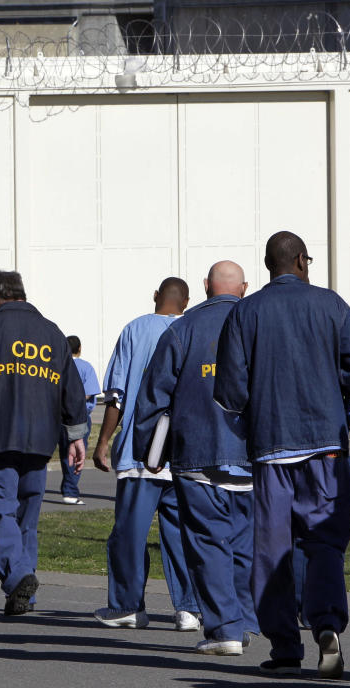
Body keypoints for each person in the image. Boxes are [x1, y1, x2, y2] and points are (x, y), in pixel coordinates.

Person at [214, 231, 350, 678]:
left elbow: (229, 393)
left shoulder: (245, 311)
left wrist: (252, 421)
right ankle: (325, 624)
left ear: (267, 265)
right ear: (303, 262)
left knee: (271, 546)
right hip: (325, 446)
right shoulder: (331, 305)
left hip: (271, 450)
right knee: (323, 539)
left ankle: (285, 646)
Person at [133, 262, 258, 656]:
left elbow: (154, 395)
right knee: (244, 545)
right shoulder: (259, 325)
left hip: (198, 453)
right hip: (252, 456)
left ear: (205, 287)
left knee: (207, 543)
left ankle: (225, 628)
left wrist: (146, 449)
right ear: (244, 288)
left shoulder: (182, 329)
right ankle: (244, 620)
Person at [0, 270, 88, 615]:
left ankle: (19, 574)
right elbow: (72, 389)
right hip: (40, 440)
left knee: (0, 510)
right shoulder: (53, 333)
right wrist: (75, 436)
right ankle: (24, 594)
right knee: (27, 516)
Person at [90, 277, 200, 631]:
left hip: (142, 451)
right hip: (184, 452)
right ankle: (188, 607)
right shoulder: (193, 329)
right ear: (187, 301)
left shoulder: (135, 330)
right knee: (181, 533)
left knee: (129, 533)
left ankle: (127, 605)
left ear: (156, 296)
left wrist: (104, 440)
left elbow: (117, 395)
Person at [58, 335, 100, 505]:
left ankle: (67, 487)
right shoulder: (85, 367)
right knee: (76, 453)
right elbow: (89, 392)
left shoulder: (59, 366)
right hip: (79, 416)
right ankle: (70, 491)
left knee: (63, 452)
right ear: (79, 348)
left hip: (58, 416)